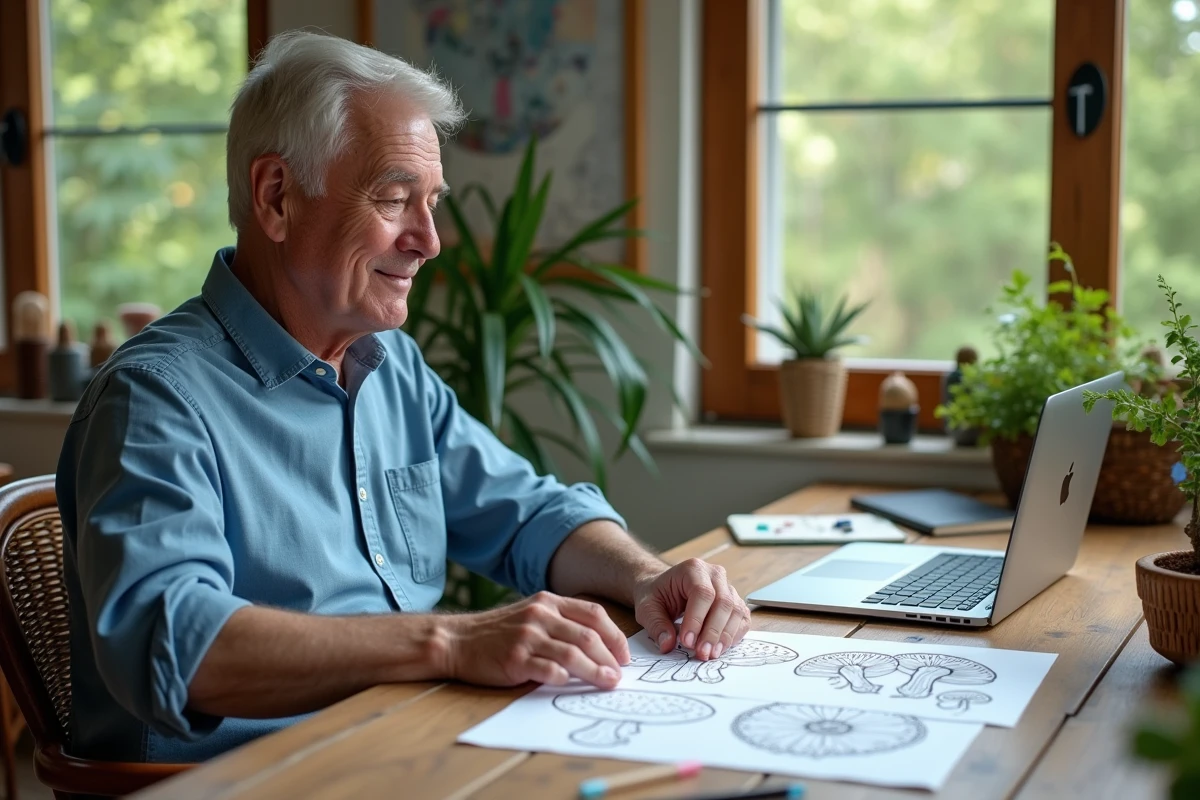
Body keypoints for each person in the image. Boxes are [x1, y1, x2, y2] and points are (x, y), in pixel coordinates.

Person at [56, 31, 751, 764]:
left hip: (401, 748)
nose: (429, 240)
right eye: (393, 199)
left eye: (431, 203)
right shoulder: (154, 398)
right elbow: (176, 643)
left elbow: (529, 516)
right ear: (277, 197)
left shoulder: (392, 368)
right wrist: (451, 639)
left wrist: (646, 577)